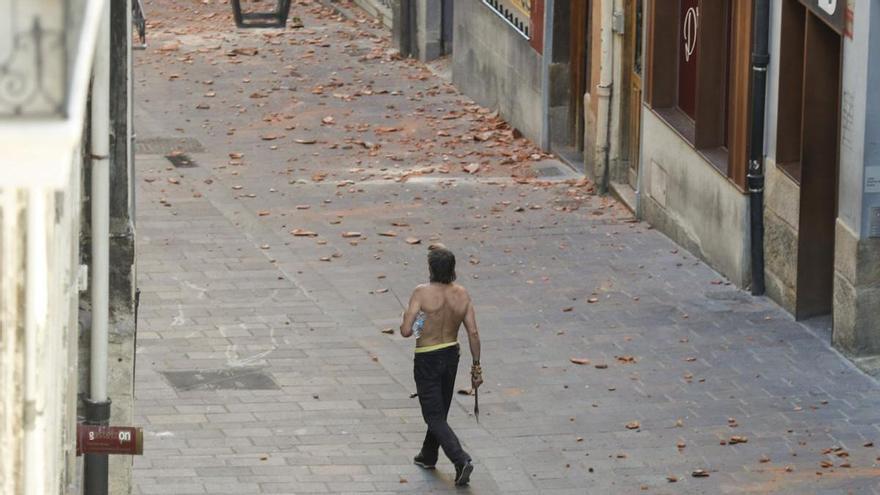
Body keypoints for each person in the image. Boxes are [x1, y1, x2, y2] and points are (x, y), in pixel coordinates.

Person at [400, 244, 483, 486]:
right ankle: (428, 454)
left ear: (431, 269)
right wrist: (476, 368)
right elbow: (474, 333)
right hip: (450, 355)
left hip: (427, 357)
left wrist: (411, 319)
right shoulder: (462, 294)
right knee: (440, 409)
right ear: (452, 269)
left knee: (434, 415)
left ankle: (461, 459)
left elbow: (407, 331)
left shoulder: (421, 292)